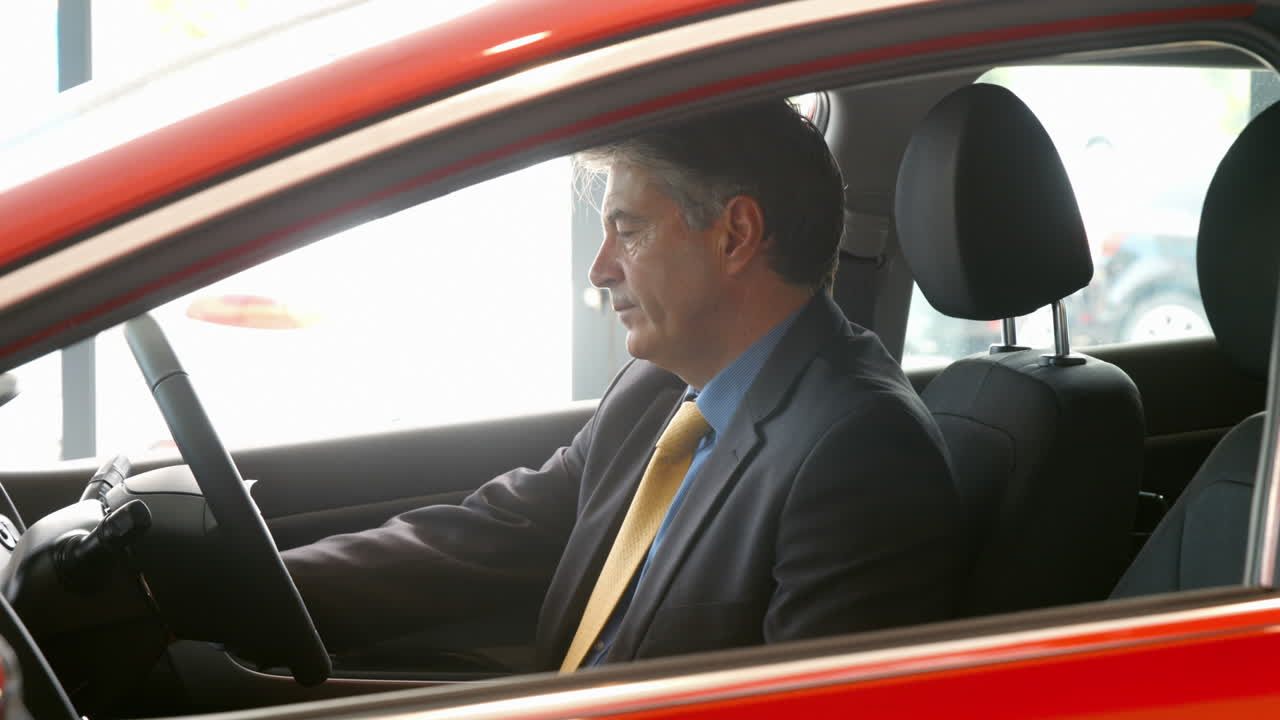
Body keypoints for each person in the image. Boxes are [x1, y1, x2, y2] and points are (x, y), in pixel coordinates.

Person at [281, 99, 969, 672]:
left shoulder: (861, 452)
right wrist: (249, 588)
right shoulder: (658, 388)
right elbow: (493, 533)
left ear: (735, 235)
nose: (600, 269)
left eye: (627, 230)